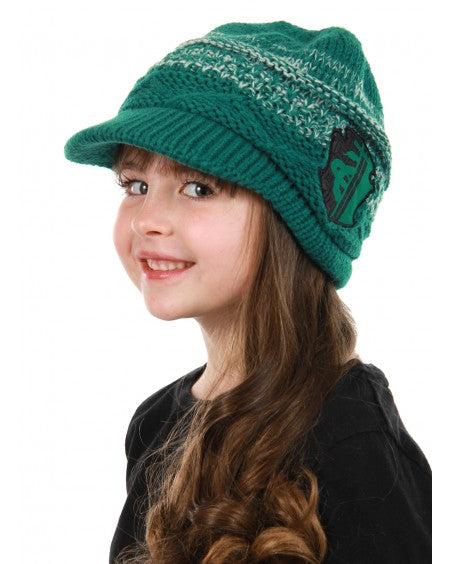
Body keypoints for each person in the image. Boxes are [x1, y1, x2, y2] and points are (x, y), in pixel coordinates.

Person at [64, 21, 431, 564]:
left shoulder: (356, 445)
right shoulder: (155, 425)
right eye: (135, 185)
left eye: (198, 187)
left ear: (294, 222)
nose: (146, 219)